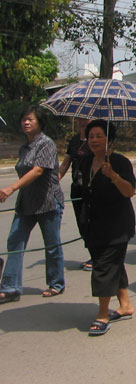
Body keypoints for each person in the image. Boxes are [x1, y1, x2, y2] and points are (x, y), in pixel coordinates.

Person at [75, 120, 135, 336]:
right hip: (93, 224)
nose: (94, 140)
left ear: (109, 140)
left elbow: (129, 192)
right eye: (91, 136)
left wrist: (114, 176)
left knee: (103, 265)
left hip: (117, 225)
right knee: (113, 264)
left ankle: (102, 314)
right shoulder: (85, 162)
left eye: (99, 136)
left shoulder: (120, 162)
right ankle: (126, 304)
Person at [0, 106, 65, 305]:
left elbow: (38, 171)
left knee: (52, 245)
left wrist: (10, 189)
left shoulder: (46, 144)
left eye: (30, 119)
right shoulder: (24, 147)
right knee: (15, 242)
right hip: (26, 204)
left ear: (39, 123)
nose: (26, 123)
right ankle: (10, 287)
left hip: (48, 203)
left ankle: (56, 283)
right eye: (23, 120)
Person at [59, 116, 93, 271]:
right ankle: (94, 253)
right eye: (79, 119)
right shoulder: (74, 140)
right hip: (77, 187)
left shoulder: (95, 140)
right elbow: (66, 163)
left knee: (90, 222)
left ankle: (97, 256)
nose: (82, 122)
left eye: (85, 119)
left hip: (91, 188)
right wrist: (54, 180)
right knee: (81, 223)